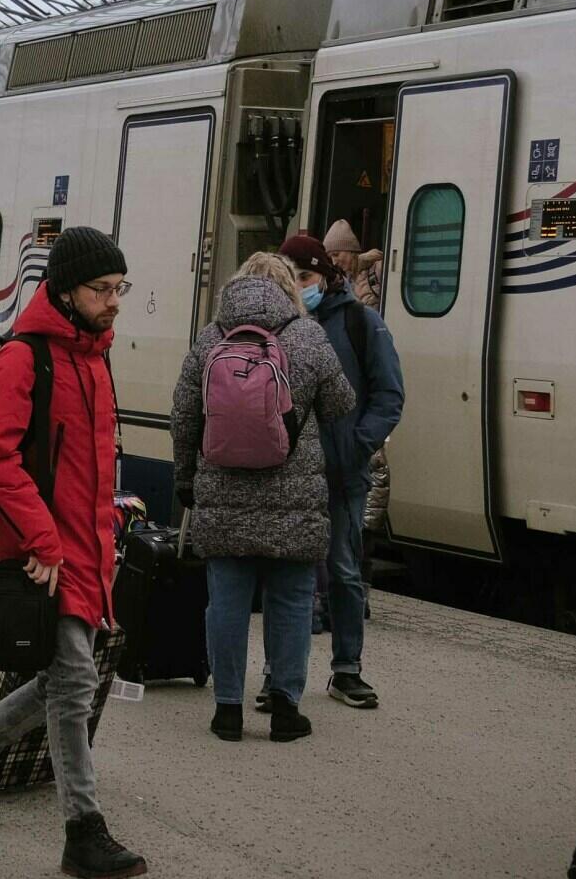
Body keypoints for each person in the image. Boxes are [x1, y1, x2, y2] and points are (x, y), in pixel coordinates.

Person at [0, 226, 146, 879]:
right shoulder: (25, 359)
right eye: (101, 290)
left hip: (86, 546)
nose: (114, 302)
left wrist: (112, 516)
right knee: (75, 678)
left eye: (120, 289)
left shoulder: (94, 359)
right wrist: (44, 538)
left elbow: (88, 464)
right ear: (64, 290)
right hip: (41, 552)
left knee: (64, 677)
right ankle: (83, 830)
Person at [171, 257, 354, 742]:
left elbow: (184, 415)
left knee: (226, 603)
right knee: (292, 601)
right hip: (293, 498)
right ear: (290, 290)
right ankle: (285, 709)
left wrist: (186, 477)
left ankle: (227, 709)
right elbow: (341, 404)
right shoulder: (308, 336)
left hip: (222, 494)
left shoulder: (212, 338)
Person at [278, 231, 403, 709]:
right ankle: (280, 676)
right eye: (290, 278)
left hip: (340, 471)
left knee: (344, 571)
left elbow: (389, 393)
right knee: (286, 575)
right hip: (286, 470)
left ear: (326, 276)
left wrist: (357, 444)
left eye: (305, 277)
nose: (298, 286)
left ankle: (346, 669)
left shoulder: (360, 322)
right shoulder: (278, 323)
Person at [324, 219, 392, 539]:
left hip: (359, 384)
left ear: (353, 253)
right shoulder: (329, 286)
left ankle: (367, 531)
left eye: (340, 254)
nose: (335, 261)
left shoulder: (372, 276)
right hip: (345, 386)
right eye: (330, 255)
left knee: (374, 463)